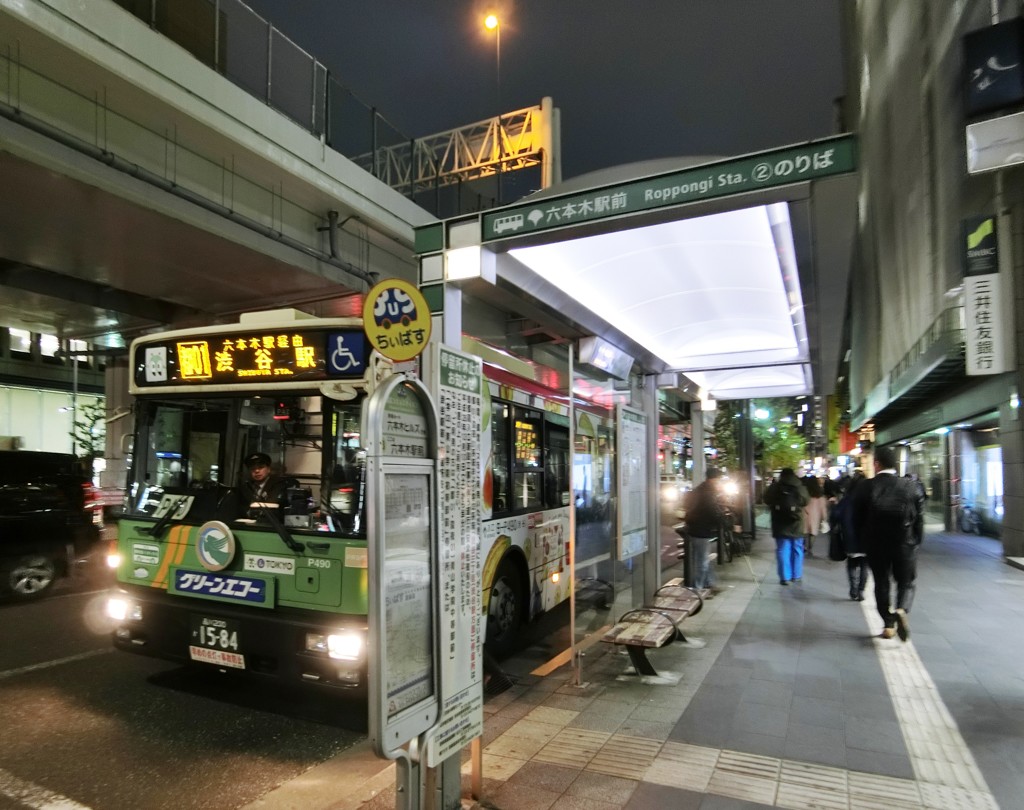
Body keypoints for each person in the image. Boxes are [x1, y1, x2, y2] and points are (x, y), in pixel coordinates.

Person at [851, 446, 925, 641]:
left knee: (881, 583)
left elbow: (856, 518)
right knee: (906, 581)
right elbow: (920, 518)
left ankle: (888, 624)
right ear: (895, 464)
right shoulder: (911, 486)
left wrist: (863, 540)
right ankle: (902, 608)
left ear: (876, 464)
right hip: (904, 542)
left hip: (875, 543)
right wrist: (916, 540)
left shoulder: (865, 486)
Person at [680, 467, 725, 596]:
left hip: (697, 527)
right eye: (719, 479)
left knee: (704, 558)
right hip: (700, 529)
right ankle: (697, 589)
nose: (720, 482)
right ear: (713, 479)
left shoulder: (701, 489)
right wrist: (724, 521)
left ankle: (709, 583)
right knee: (701, 561)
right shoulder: (708, 493)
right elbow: (713, 511)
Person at [764, 468, 810, 585]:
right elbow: (806, 501)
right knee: (797, 548)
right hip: (796, 521)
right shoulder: (799, 486)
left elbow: (766, 499)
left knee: (783, 548)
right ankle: (796, 575)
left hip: (779, 521)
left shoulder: (775, 486)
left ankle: (785, 577)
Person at [832, 470, 868, 601]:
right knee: (865, 565)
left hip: (850, 537)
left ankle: (853, 589)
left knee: (852, 564)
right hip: (866, 538)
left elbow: (836, 514)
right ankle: (861, 590)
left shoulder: (847, 499)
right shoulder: (870, 499)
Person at [802, 475, 828, 557]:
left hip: (804, 514)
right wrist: (824, 517)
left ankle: (804, 546)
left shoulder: (804, 492)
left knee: (804, 532)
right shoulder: (819, 494)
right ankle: (810, 548)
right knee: (813, 533)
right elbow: (822, 507)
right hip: (815, 515)